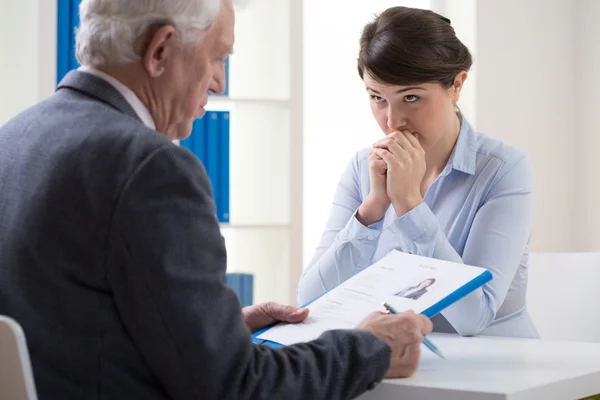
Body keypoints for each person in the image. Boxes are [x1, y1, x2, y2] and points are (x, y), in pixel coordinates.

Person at [0, 0, 435, 399]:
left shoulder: (14, 139)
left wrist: (214, 329)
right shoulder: (150, 168)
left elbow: (71, 326)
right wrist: (370, 348)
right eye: (217, 56)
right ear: (160, 50)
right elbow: (237, 389)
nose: (219, 81)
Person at [297, 6, 539, 339]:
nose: (392, 121)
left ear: (456, 85)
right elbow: (309, 300)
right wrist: (372, 209)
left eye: (411, 97)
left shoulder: (503, 170)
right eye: (377, 98)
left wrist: (411, 205)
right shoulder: (362, 167)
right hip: (400, 367)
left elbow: (472, 318)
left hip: (496, 371)